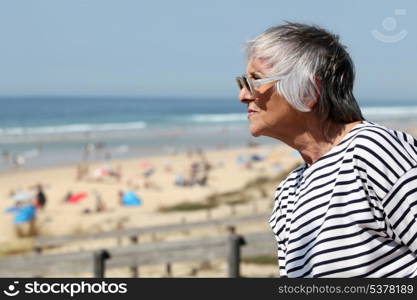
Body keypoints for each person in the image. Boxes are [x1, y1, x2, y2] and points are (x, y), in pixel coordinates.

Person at [237, 22, 417, 277]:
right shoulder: (288, 192)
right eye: (242, 82)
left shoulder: (372, 152)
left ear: (308, 90)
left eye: (255, 80)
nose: (243, 95)